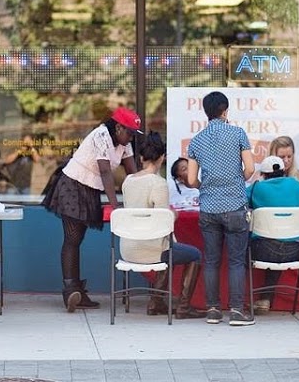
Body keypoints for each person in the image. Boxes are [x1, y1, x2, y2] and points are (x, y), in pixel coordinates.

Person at [42, 106, 140, 312]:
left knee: (77, 239)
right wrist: (115, 206)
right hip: (73, 185)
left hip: (91, 190)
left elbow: (132, 172)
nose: (131, 137)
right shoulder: (101, 135)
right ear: (119, 127)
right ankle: (70, 290)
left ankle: (76, 290)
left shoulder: (124, 143)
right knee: (72, 238)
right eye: (130, 132)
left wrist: (142, 193)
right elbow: (105, 171)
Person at [185, 91, 256, 327]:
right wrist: (236, 180)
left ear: (205, 112)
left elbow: (192, 180)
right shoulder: (238, 134)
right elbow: (250, 169)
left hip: (208, 207)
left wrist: (206, 184)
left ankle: (213, 310)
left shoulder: (197, 140)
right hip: (235, 204)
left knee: (211, 260)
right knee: (236, 261)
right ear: (225, 110)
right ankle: (237, 310)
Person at [120, 132, 205, 319]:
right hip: (152, 250)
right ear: (162, 158)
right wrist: (172, 214)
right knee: (193, 254)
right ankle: (183, 307)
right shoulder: (158, 184)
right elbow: (162, 223)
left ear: (141, 158)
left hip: (128, 248)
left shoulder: (128, 181)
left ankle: (156, 302)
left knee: (170, 248)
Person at [247, 155, 299, 315]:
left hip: (262, 250)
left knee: (241, 248)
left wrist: (255, 182)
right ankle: (265, 298)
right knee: (280, 239)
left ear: (263, 174)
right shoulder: (296, 185)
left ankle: (238, 299)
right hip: (294, 251)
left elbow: (241, 203)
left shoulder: (257, 187)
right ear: (283, 171)